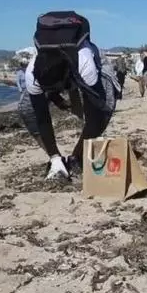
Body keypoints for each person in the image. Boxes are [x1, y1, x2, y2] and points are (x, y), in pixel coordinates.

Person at [19, 11, 119, 180]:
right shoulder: (31, 75)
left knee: (104, 107)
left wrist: (79, 152)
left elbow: (94, 112)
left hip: (92, 65)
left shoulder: (85, 65)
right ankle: (56, 160)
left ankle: (76, 158)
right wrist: (55, 158)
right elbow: (41, 117)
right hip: (59, 74)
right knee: (26, 110)